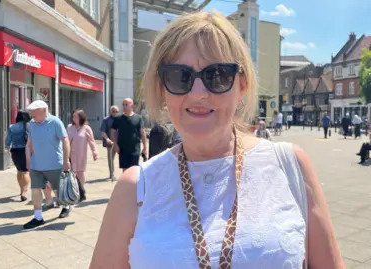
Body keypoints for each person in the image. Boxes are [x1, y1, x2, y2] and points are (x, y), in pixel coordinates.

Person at [90, 11, 344, 269]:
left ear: (241, 86)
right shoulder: (135, 188)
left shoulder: (289, 165)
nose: (199, 93)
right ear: (162, 87)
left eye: (218, 76)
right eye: (180, 76)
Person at [24, 100, 71, 229]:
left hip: (54, 163)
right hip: (36, 165)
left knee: (57, 189)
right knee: (35, 190)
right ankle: (38, 217)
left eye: (34, 111)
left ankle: (65, 206)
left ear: (44, 110)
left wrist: (66, 160)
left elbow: (65, 141)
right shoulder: (32, 124)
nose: (31, 114)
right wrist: (28, 160)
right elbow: (29, 144)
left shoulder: (55, 122)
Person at [111, 98, 147, 172]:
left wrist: (145, 147)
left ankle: (134, 183)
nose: (124, 106)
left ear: (132, 106)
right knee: (125, 170)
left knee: (134, 170)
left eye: (126, 104)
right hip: (123, 149)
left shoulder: (138, 118)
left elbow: (143, 133)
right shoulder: (118, 118)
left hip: (135, 149)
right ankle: (125, 183)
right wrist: (115, 144)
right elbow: (112, 132)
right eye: (123, 104)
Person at [5, 111, 31, 201]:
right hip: (26, 149)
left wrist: (7, 146)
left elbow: (8, 140)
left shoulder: (12, 127)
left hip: (15, 150)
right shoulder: (30, 125)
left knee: (19, 171)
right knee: (26, 171)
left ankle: (21, 190)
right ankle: (24, 192)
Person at [67, 110, 98, 185]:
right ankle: (72, 190)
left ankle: (81, 190)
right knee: (70, 172)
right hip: (70, 154)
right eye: (73, 116)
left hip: (81, 154)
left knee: (80, 172)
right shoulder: (70, 127)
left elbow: (92, 141)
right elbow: (66, 140)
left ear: (81, 118)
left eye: (76, 117)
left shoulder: (86, 128)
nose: (73, 118)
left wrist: (94, 152)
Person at [100, 106, 119, 180]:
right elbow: (102, 131)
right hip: (110, 142)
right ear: (110, 111)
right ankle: (112, 174)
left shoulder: (120, 119)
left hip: (120, 141)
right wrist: (107, 139)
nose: (115, 113)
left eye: (117, 111)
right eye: (114, 111)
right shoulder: (106, 120)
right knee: (111, 158)